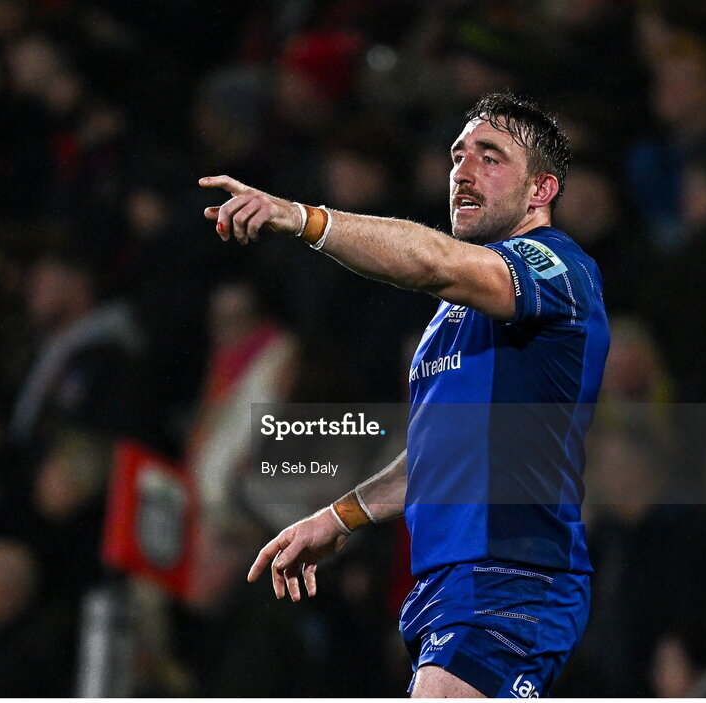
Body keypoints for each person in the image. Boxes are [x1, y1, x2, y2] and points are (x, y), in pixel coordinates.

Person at [199, 92, 610, 697]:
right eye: (457, 156)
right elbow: (442, 449)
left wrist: (303, 218)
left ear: (541, 190)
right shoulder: (453, 316)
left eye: (490, 157)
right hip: (448, 583)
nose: (464, 173)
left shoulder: (554, 265)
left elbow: (432, 262)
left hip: (512, 573)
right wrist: (340, 516)